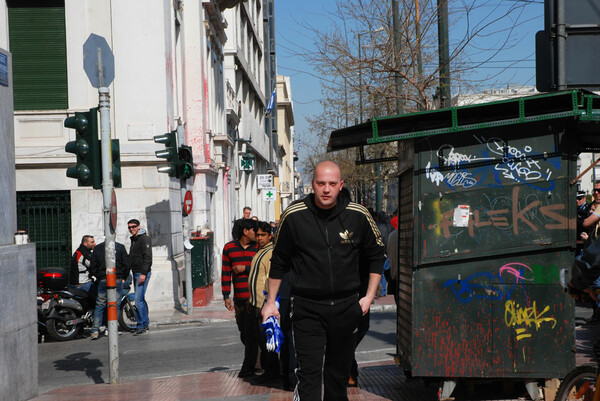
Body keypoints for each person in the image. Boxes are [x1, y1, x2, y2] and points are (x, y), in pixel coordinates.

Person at [262, 160, 386, 401]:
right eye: (321, 183)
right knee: (308, 375)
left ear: (341, 185)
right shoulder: (294, 215)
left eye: (331, 184)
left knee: (337, 376)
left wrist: (368, 297)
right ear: (313, 185)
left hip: (347, 307)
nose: (326, 189)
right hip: (307, 308)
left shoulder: (358, 215)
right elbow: (279, 261)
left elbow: (376, 256)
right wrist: (270, 302)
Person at [222, 218, 258, 378]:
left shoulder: (258, 247)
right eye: (253, 231)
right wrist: (226, 295)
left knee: (252, 334)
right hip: (238, 299)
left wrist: (247, 268)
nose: (256, 234)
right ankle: (257, 361)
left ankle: (248, 367)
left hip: (255, 299)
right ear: (245, 231)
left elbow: (264, 268)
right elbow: (225, 272)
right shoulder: (229, 248)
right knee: (244, 333)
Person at [247, 221, 280, 383]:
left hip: (263, 305)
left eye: (263, 235)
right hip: (255, 303)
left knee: (268, 341)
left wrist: (267, 303)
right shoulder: (259, 252)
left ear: (270, 236)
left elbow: (270, 280)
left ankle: (273, 372)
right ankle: (269, 371)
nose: (259, 238)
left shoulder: (270, 253)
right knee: (261, 340)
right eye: (257, 235)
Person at [88, 240, 130, 340]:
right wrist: (123, 277)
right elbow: (127, 265)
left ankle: (95, 330)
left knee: (100, 304)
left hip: (103, 279)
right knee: (114, 305)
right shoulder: (120, 247)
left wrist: (100, 277)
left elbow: (93, 267)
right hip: (116, 279)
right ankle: (110, 328)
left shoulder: (98, 248)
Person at [127, 219, 152, 336]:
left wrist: (143, 273)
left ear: (138, 226)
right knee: (140, 299)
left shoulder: (144, 239)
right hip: (136, 272)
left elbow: (148, 258)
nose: (132, 229)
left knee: (137, 300)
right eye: (130, 227)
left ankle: (141, 325)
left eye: (134, 226)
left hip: (142, 274)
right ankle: (144, 323)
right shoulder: (134, 239)